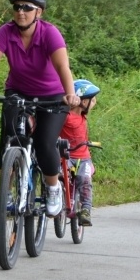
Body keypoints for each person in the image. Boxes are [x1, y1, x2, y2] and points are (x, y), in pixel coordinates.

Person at [0, 0, 80, 219]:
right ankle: (5, 194)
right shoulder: (6, 32)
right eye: (17, 7)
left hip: (53, 95)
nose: (21, 12)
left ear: (39, 12)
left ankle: (52, 188)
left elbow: (62, 67)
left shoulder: (49, 33)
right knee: (8, 137)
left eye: (27, 7)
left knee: (44, 142)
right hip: (18, 92)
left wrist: (70, 93)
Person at [60, 79, 100, 226]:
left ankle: (85, 210)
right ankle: (60, 200)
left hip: (83, 157)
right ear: (84, 102)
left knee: (84, 180)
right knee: (60, 174)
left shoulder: (83, 115)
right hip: (66, 155)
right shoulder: (66, 116)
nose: (94, 103)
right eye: (92, 100)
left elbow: (89, 104)